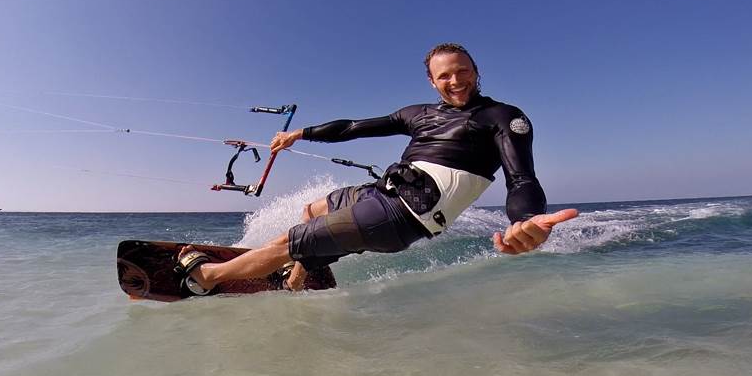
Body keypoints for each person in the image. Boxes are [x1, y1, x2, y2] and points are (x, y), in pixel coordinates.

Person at [178, 42, 579, 294]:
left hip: (406, 215)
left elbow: (521, 178)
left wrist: (526, 220)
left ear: (476, 72)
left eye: (463, 71)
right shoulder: (418, 113)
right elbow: (354, 127)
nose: (456, 80)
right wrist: (300, 133)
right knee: (313, 211)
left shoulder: (501, 117)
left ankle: (204, 279)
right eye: (445, 75)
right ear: (432, 81)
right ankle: (297, 277)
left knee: (287, 242)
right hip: (384, 193)